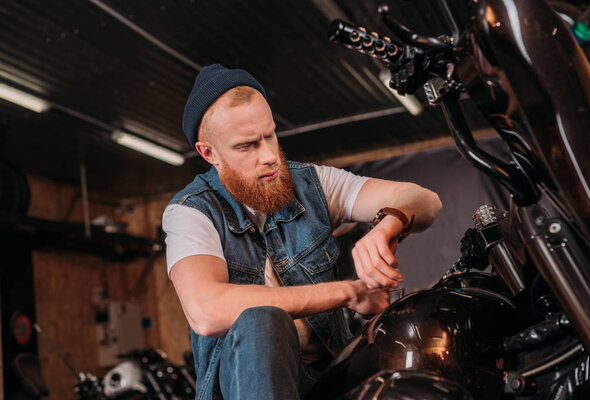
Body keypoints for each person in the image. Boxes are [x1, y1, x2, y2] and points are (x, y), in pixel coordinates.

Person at [163, 64, 442, 400]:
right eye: (247, 146)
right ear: (209, 153)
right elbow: (207, 312)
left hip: (327, 379)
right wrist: (348, 293)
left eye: (270, 135)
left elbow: (426, 201)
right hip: (241, 388)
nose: (269, 157)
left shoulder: (310, 184)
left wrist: (390, 221)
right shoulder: (191, 211)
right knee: (261, 322)